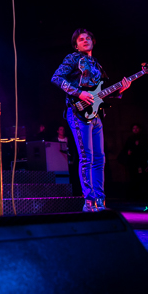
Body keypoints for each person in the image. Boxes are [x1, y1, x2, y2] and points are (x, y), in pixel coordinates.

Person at [51, 29, 130, 212]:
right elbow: (56, 78)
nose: (85, 41)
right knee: (87, 158)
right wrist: (79, 93)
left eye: (88, 38)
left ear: (93, 41)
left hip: (95, 115)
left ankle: (100, 201)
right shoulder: (73, 58)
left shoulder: (96, 64)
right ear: (76, 45)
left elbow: (100, 94)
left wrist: (120, 90)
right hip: (78, 112)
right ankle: (89, 201)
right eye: (81, 39)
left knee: (99, 158)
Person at [119, 123, 148, 201]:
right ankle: (136, 195)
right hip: (133, 162)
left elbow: (144, 148)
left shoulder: (143, 138)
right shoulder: (130, 138)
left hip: (142, 161)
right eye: (134, 128)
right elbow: (126, 148)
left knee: (143, 177)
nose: (135, 130)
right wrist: (128, 152)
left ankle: (145, 194)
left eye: (137, 128)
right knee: (134, 177)